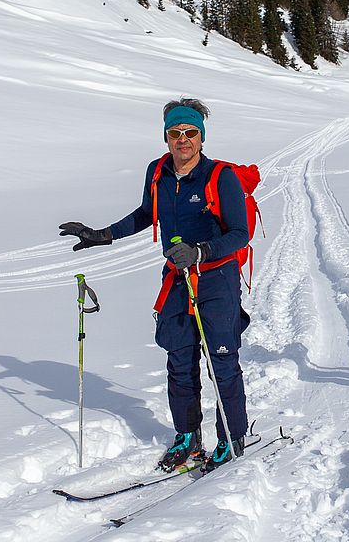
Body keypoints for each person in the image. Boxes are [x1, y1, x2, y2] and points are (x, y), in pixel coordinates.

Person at [58, 98, 251, 471]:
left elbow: (240, 234)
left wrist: (201, 251)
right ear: (166, 137)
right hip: (176, 280)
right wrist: (104, 234)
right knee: (179, 360)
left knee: (221, 359)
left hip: (216, 279)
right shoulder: (158, 172)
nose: (183, 140)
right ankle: (188, 437)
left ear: (201, 137)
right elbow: (148, 213)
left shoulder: (220, 177)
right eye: (175, 133)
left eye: (190, 133)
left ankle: (231, 437)